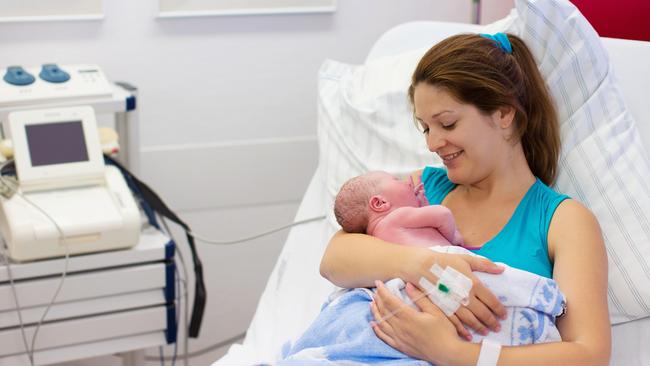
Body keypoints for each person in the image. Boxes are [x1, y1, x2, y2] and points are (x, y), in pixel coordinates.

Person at [320, 32, 611, 365]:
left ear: (504, 113)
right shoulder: (422, 190)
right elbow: (334, 260)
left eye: (447, 123)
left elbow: (589, 354)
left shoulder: (562, 221)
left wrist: (455, 353)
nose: (432, 144)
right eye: (426, 128)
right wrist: (424, 267)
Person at [333, 170, 463, 248]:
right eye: (397, 180)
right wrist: (453, 238)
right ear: (380, 203)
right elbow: (442, 214)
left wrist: (421, 205)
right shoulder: (396, 217)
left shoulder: (376, 240)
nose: (407, 182)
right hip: (444, 265)